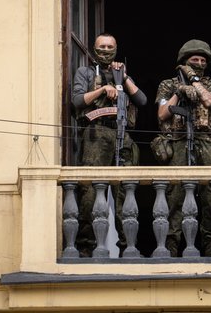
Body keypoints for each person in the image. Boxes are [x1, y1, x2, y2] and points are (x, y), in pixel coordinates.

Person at [71, 32, 147, 257]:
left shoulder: (122, 74)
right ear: (94, 50)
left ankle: (129, 247)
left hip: (122, 134)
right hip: (97, 133)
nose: (106, 50)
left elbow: (141, 100)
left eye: (110, 46)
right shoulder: (85, 72)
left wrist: (121, 77)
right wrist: (103, 89)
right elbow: (76, 101)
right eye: (101, 46)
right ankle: (87, 247)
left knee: (126, 192)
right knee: (91, 192)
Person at [154, 39, 211, 257]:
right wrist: (180, 90)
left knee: (210, 196)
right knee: (174, 196)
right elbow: (163, 113)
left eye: (204, 60)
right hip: (178, 143)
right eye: (195, 59)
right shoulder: (167, 84)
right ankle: (171, 246)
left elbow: (209, 101)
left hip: (206, 143)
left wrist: (194, 81)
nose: (200, 63)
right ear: (184, 61)